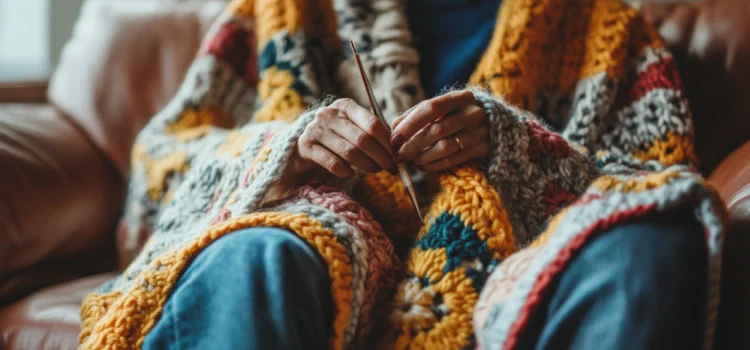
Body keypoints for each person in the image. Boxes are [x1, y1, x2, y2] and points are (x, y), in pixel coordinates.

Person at [78, 0, 725, 349]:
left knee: (653, 243)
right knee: (257, 255)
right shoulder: (282, 15)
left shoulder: (605, 31)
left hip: (511, 275)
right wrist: (287, 145)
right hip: (314, 266)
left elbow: (653, 185)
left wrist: (517, 147)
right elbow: (160, 170)